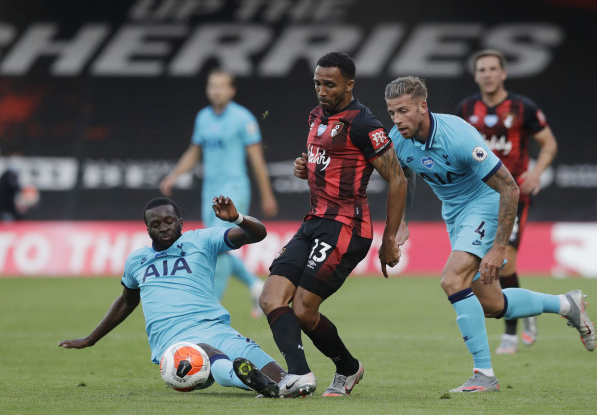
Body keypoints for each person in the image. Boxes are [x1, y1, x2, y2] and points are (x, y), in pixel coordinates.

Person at [385, 76, 596, 393]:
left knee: (452, 280)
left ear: (422, 106)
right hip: (454, 213)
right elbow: (403, 178)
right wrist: (402, 220)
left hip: (485, 202)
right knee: (492, 304)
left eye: (403, 111)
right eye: (392, 113)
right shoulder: (398, 138)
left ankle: (484, 374)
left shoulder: (458, 136)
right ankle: (567, 304)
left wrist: (499, 248)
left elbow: (509, 187)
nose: (397, 120)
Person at [259, 52, 407, 398]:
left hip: (346, 227)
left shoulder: (364, 123)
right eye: (317, 83)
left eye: (330, 84)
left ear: (349, 85)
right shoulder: (316, 115)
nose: (321, 90)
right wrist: (304, 166)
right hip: (313, 222)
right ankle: (299, 375)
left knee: (304, 309)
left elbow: (398, 179)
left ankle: (347, 369)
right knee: (271, 298)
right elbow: (323, 159)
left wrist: (390, 240)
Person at [59, 196, 284, 397]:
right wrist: (91, 339)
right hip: (175, 344)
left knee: (285, 381)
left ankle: (265, 383)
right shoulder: (137, 261)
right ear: (147, 230)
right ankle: (244, 380)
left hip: (218, 330)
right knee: (206, 351)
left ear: (181, 222)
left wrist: (237, 218)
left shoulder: (201, 241)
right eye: (155, 225)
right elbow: (126, 302)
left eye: (169, 221)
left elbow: (257, 234)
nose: (164, 227)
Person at [455, 49, 558, 354]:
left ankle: (511, 332)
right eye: (482, 69)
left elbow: (549, 144)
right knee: (487, 263)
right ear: (476, 76)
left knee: (505, 259)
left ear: (503, 74)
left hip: (511, 195)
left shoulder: (522, 108)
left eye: (492, 68)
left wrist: (537, 172)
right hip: (477, 199)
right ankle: (523, 310)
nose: (487, 74)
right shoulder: (466, 108)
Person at [160, 68, 278, 318]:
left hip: (234, 189)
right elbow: (194, 152)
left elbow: (256, 159)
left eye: (221, 86)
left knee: (218, 246)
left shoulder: (243, 118)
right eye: (212, 86)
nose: (216, 91)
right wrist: (174, 175)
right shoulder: (203, 117)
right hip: (209, 192)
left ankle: (212, 306)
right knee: (215, 245)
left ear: (232, 90)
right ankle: (256, 285)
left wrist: (267, 195)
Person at [0, 147, 39, 221]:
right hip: (6, 214)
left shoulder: (21, 176)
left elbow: (30, 198)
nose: (15, 161)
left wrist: (29, 199)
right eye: (13, 157)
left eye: (18, 157)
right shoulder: (6, 176)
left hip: (18, 216)